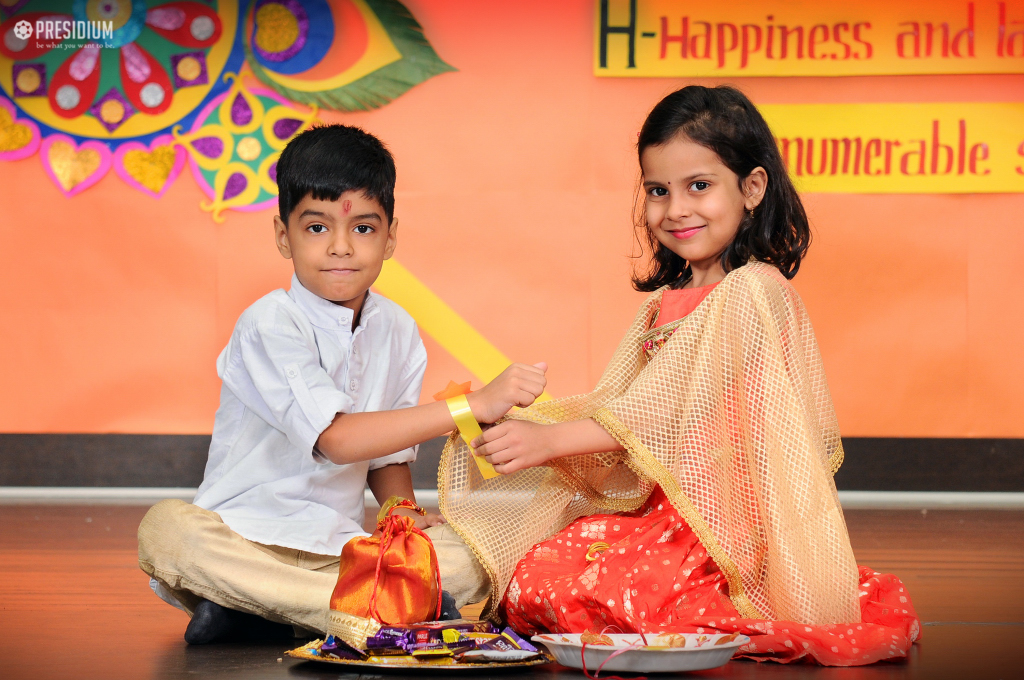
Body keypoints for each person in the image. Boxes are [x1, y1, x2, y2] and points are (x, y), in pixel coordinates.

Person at [436, 86, 920, 666]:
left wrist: (551, 440)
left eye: (699, 186)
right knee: (539, 575)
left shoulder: (754, 290)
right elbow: (619, 401)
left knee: (609, 596)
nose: (676, 209)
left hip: (722, 522)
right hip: (660, 506)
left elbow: (663, 411)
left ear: (752, 188)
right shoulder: (663, 301)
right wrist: (528, 422)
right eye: (658, 191)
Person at [137, 124, 545, 644]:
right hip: (242, 539)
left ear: (391, 237)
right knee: (168, 532)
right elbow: (337, 439)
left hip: (341, 549)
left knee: (474, 553)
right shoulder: (269, 323)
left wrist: (401, 515)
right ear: (283, 236)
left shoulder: (396, 328)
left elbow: (387, 456)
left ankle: (261, 609)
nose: (340, 247)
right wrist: (474, 404)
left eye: (364, 229)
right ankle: (382, 611)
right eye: (316, 228)